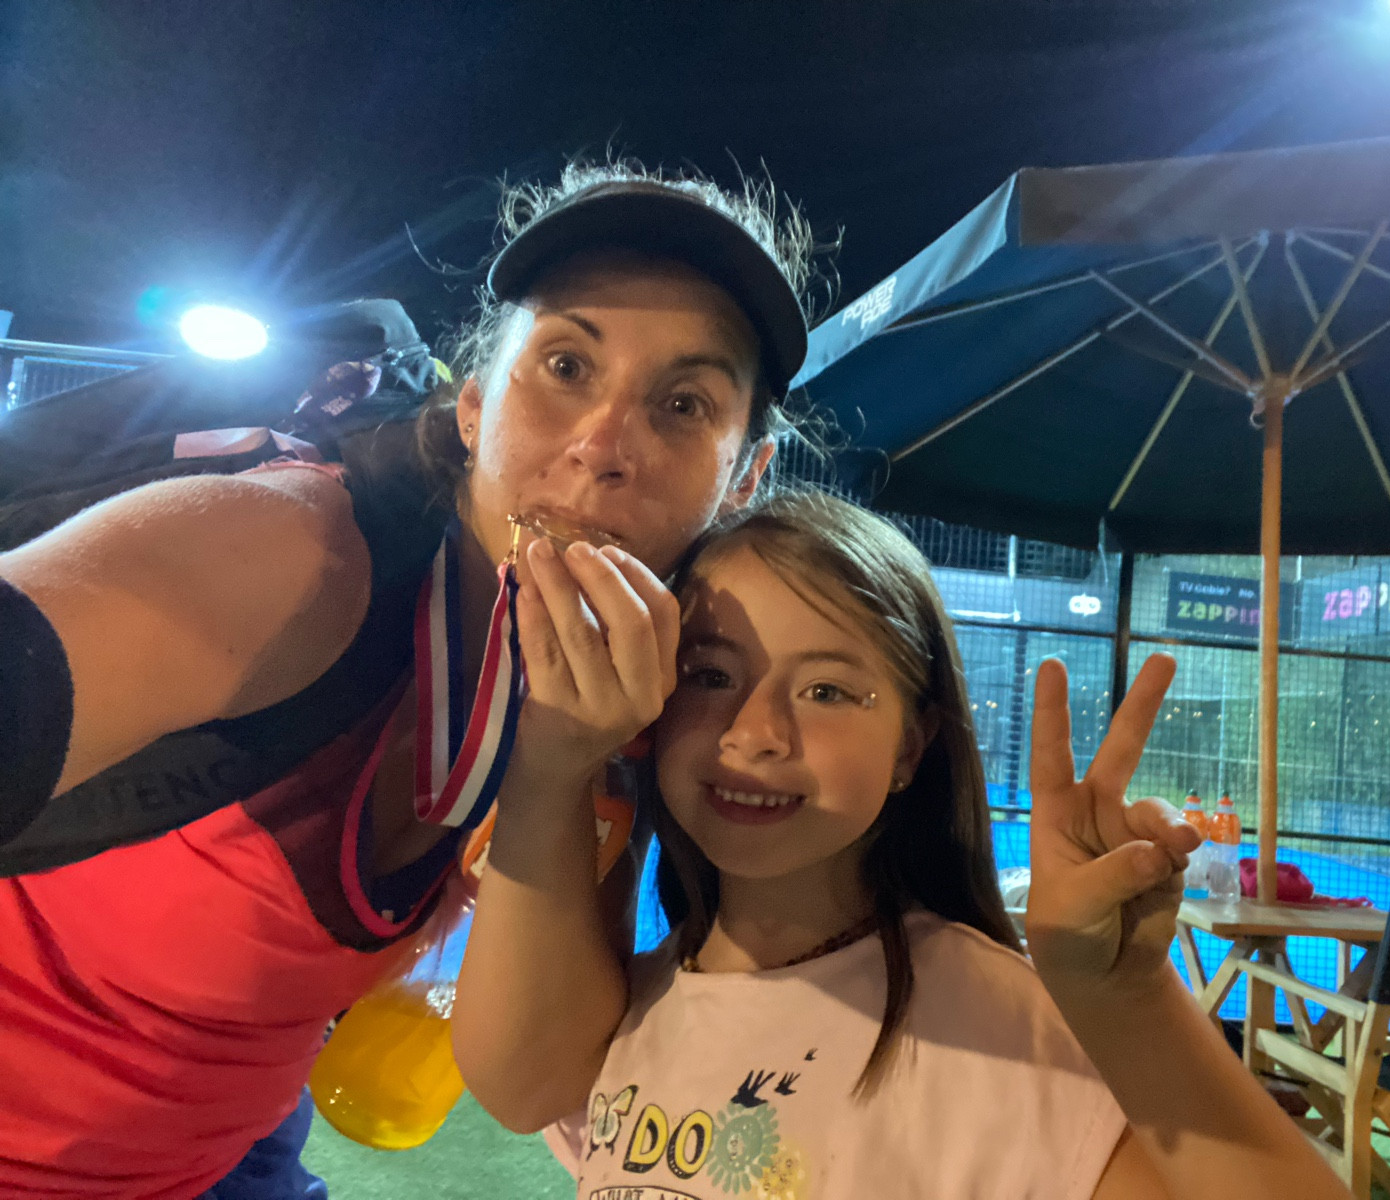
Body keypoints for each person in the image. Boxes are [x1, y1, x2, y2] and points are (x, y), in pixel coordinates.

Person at [0, 164, 813, 1199]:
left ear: (743, 477)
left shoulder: (633, 701)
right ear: (473, 407)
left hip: (232, 1150)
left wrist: (557, 769)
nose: (602, 448)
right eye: (565, 365)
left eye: (684, 403)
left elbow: (529, 1083)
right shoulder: (293, 552)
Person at [452, 491, 1355, 1199]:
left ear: (911, 750)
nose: (756, 733)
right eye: (712, 674)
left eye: (828, 692)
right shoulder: (624, 1005)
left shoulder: (987, 1026)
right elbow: (518, 1084)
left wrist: (1128, 1000)